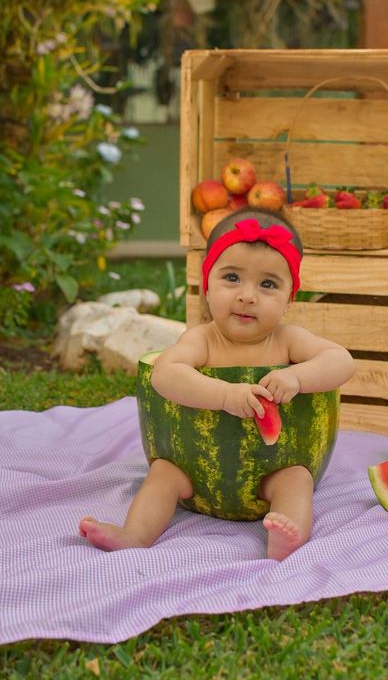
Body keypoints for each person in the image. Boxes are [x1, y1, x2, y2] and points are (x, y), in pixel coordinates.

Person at [79, 208, 355, 560]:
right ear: (207, 285)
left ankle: (288, 538)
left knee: (298, 478)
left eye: (268, 284)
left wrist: (296, 376)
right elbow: (165, 373)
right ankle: (134, 534)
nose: (247, 295)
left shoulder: (289, 340)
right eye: (232, 278)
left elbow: (341, 360)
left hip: (275, 467)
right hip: (193, 473)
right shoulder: (202, 340)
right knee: (163, 473)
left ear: (290, 300)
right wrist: (223, 394)